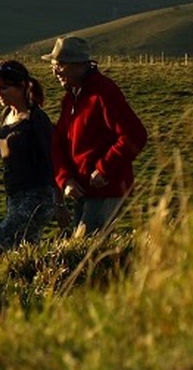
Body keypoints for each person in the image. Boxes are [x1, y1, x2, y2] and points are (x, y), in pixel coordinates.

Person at [42, 35, 147, 238]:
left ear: (79, 65)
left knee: (87, 249)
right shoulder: (71, 97)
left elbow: (134, 135)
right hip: (83, 190)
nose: (55, 71)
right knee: (84, 248)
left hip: (107, 189)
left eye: (60, 65)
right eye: (54, 65)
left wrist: (103, 169)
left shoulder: (104, 93)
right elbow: (59, 142)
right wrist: (65, 179)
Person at [0, 59, 59, 259]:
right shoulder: (7, 114)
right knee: (24, 253)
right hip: (15, 196)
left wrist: (59, 203)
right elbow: (2, 148)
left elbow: (52, 158)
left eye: (4, 88)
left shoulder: (36, 119)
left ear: (22, 86)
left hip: (37, 197)